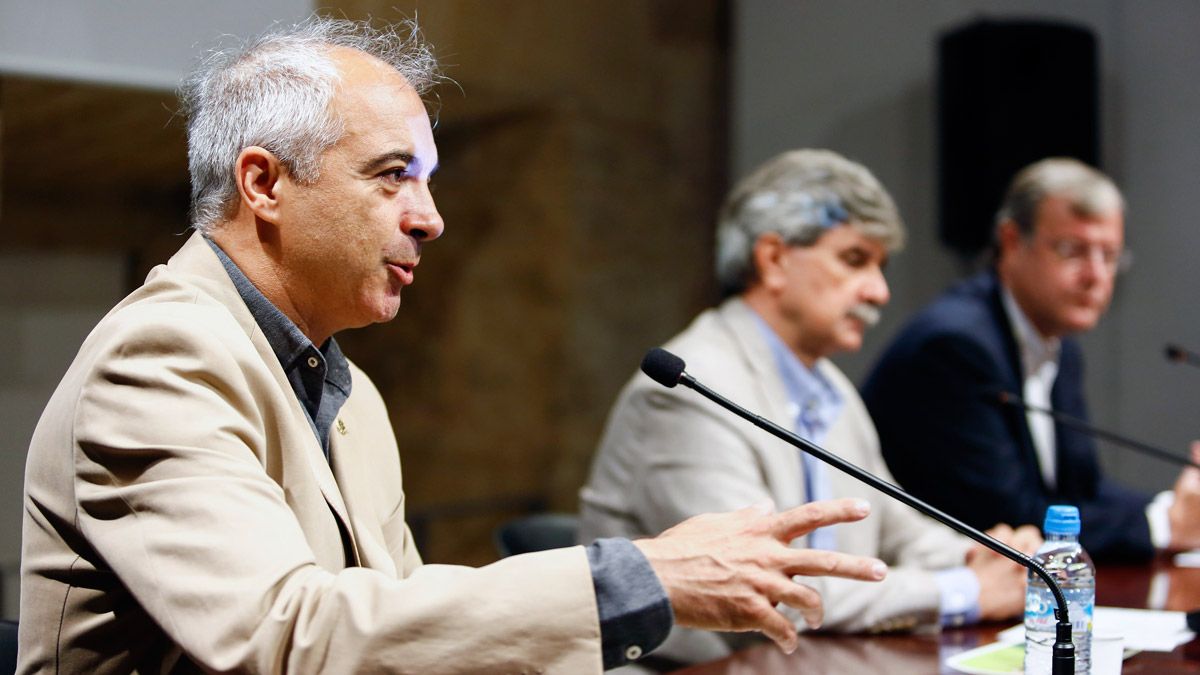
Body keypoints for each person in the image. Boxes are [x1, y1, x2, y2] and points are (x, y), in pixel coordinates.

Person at [16, 18, 889, 675]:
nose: (431, 219)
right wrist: (634, 578)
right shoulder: (163, 355)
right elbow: (282, 635)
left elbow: (399, 630)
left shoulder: (345, 389)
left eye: (428, 182)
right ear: (264, 182)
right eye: (393, 176)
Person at [578, 149, 1038, 665]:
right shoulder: (689, 389)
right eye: (855, 259)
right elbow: (769, 594)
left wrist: (989, 558)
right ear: (773, 259)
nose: (880, 291)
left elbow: (898, 529)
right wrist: (965, 591)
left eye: (881, 267)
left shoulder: (830, 388)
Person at [862, 157, 1200, 562]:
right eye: (1072, 251)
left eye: (1108, 255)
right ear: (1010, 241)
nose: (1095, 276)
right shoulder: (954, 346)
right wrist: (1163, 525)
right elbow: (1006, 517)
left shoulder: (1060, 345)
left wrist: (1170, 510)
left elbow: (1080, 489)